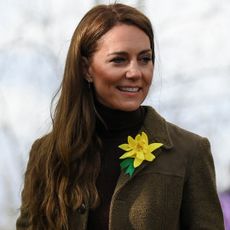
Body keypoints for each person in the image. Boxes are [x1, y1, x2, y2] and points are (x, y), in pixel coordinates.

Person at [16, 3, 224, 230]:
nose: (135, 72)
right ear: (86, 68)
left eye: (145, 59)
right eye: (119, 60)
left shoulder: (189, 151)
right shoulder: (46, 155)